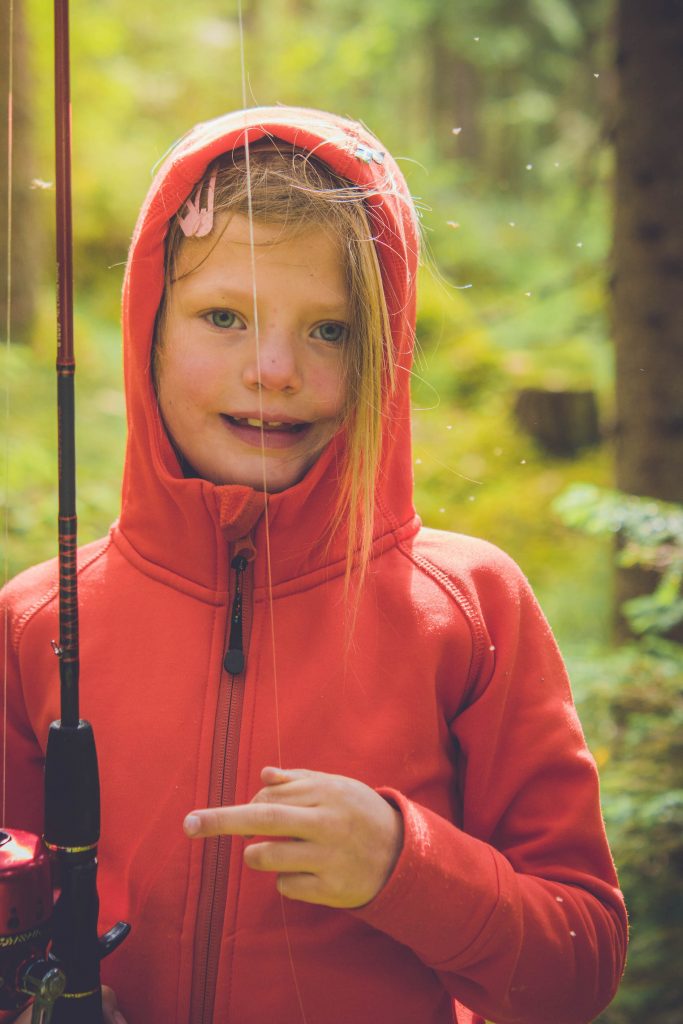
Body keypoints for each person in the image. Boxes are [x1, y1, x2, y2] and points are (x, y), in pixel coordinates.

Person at [3, 107, 627, 1024]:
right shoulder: (36, 619)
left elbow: (580, 966)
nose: (275, 368)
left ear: (384, 351)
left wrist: (404, 868)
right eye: (224, 316)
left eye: (329, 331)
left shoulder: (469, 609)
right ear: (149, 332)